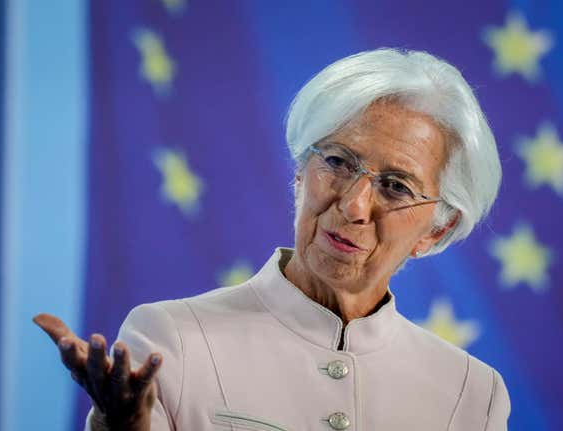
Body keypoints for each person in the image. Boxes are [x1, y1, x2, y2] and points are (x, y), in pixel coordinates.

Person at [35, 48, 510, 430]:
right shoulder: (172, 338)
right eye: (339, 162)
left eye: (395, 186)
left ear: (437, 229)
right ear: (301, 173)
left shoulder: (473, 394)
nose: (353, 205)